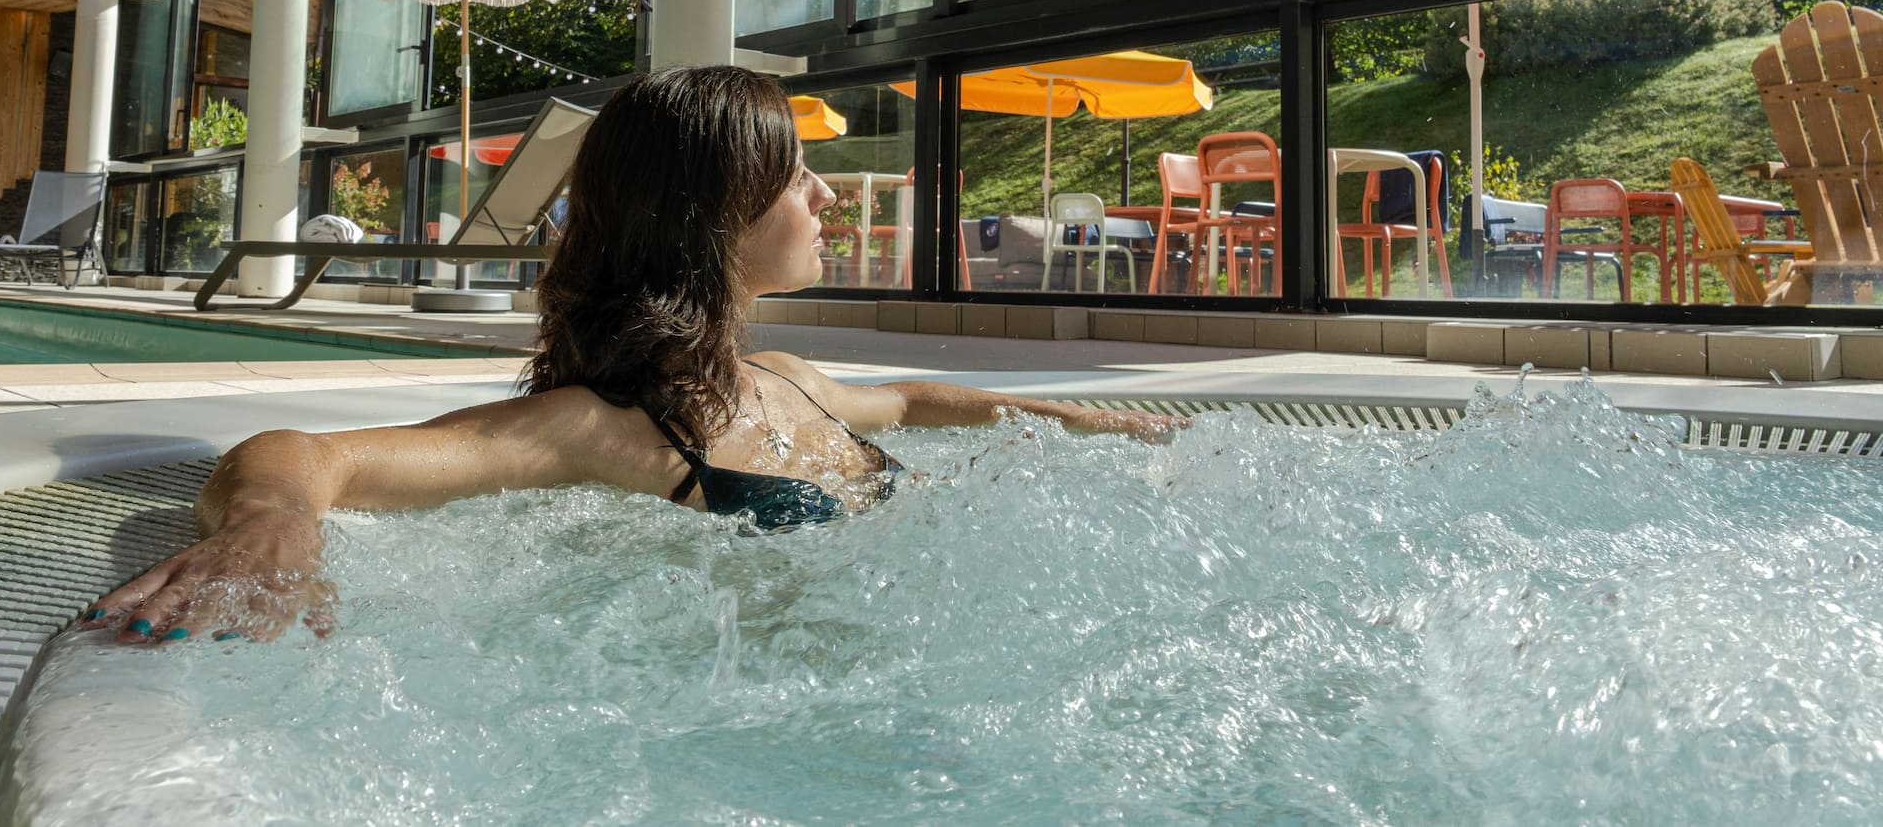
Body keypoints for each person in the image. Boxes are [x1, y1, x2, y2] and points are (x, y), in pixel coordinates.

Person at [87, 67, 1182, 644]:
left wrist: (1075, 420)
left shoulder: (785, 381)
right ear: (715, 209)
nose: (825, 195)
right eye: (797, 173)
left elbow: (903, 397)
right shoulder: (605, 427)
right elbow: (297, 452)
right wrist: (274, 521)